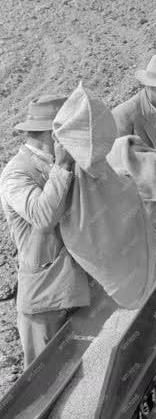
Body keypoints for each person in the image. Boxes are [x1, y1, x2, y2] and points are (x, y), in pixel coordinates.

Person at [0, 95, 90, 368]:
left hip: (74, 285)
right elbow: (42, 216)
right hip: (44, 297)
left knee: (74, 375)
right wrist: (62, 168)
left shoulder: (59, 162)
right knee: (43, 382)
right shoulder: (16, 174)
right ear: (55, 133)